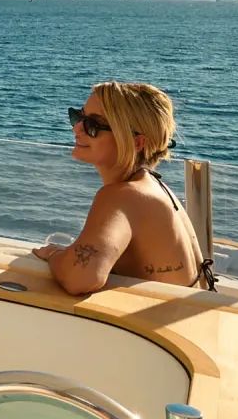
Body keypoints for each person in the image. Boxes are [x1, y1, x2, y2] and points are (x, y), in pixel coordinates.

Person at [33, 81, 216, 296]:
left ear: (137, 142)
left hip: (163, 316)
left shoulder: (124, 195)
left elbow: (80, 278)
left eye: (93, 125)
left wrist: (53, 254)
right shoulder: (155, 187)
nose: (77, 128)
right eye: (78, 117)